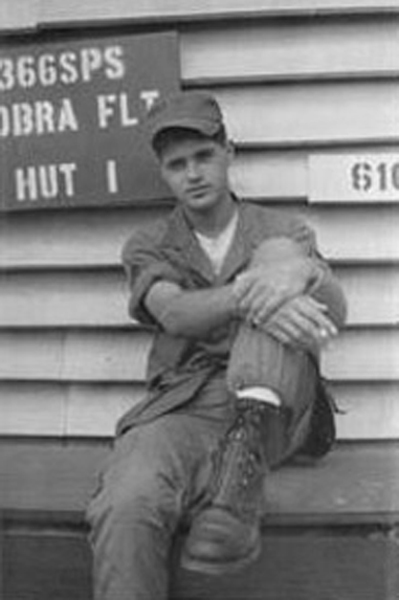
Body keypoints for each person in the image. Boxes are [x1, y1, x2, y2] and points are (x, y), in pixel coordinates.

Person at [86, 91, 347, 600]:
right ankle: (229, 482)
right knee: (126, 501)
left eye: (204, 156)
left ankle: (243, 458)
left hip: (278, 406)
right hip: (183, 407)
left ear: (230, 151)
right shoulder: (149, 243)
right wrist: (265, 289)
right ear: (164, 173)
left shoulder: (280, 228)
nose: (193, 173)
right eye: (177, 164)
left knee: (277, 254)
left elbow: (335, 313)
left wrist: (303, 270)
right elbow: (176, 314)